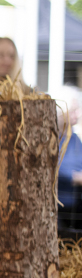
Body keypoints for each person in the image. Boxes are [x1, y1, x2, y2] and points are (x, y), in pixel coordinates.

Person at [59, 100, 82, 239]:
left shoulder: (75, 139)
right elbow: (55, 167)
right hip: (58, 201)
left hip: (75, 199)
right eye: (73, 110)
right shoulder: (55, 136)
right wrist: (74, 177)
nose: (77, 114)